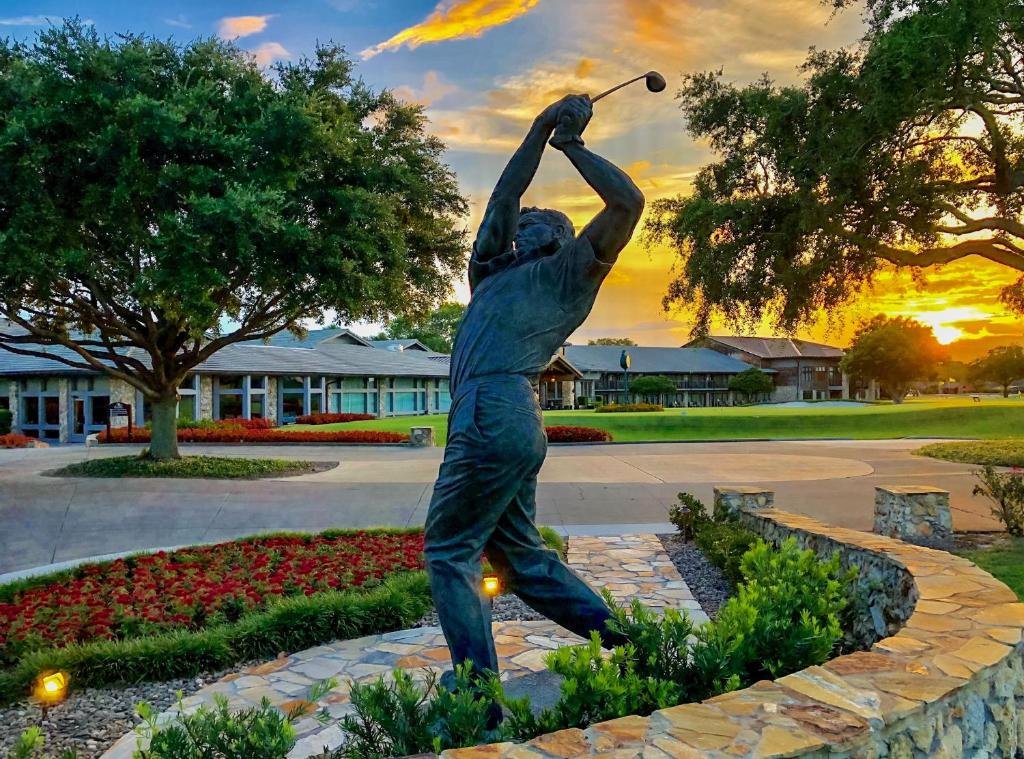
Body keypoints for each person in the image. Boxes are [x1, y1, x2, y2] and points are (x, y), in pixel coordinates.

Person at [423, 94, 645, 705]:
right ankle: (634, 645)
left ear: (559, 238)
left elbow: (627, 203)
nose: (518, 231)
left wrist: (569, 146)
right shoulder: (490, 275)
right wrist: (537, 129)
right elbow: (503, 200)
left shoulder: (570, 272)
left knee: (448, 551)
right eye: (518, 228)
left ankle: (478, 697)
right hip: (496, 417)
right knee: (519, 560)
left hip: (496, 411)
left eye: (532, 227)